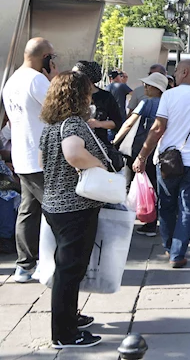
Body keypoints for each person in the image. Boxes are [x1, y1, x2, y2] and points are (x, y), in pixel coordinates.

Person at [39, 71, 111, 349]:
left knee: (68, 268)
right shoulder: (72, 124)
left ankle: (71, 317)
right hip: (75, 207)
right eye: (89, 92)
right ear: (79, 95)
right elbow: (72, 153)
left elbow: (43, 160)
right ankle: (65, 334)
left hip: (55, 204)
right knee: (70, 270)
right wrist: (98, 166)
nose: (91, 96)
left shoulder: (50, 125)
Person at [132, 60, 190, 268]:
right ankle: (178, 254)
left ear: (185, 72)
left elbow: (157, 128)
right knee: (187, 208)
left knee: (167, 205)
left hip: (168, 162)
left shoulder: (169, 95)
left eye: (177, 71)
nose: (175, 75)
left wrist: (142, 155)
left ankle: (170, 246)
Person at [1, 37, 58, 283]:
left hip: (22, 155)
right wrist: (53, 80)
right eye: (51, 57)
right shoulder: (36, 80)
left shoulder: (11, 81)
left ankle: (24, 265)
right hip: (40, 156)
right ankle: (53, 265)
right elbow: (57, 109)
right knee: (56, 210)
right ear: (44, 57)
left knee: (28, 210)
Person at [114, 72, 167, 237]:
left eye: (148, 85)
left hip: (140, 149)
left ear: (156, 88)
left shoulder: (147, 102)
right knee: (154, 186)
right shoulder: (167, 102)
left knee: (131, 183)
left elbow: (129, 123)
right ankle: (153, 222)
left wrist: (115, 141)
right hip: (159, 149)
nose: (145, 87)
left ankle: (133, 219)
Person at [73, 61, 122, 148]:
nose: (72, 77)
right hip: (74, 144)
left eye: (75, 74)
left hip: (99, 145)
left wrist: (99, 124)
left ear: (87, 77)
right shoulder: (71, 95)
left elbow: (117, 122)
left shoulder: (105, 96)